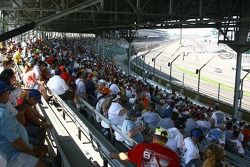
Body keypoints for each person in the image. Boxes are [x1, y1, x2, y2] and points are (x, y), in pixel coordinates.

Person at [0, 81, 47, 167]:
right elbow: (15, 140)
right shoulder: (3, 113)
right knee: (42, 150)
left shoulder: (4, 107)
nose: (9, 94)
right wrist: (31, 153)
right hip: (12, 155)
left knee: (41, 147)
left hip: (14, 149)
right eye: (7, 92)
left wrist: (43, 119)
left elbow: (34, 114)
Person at [110, 127, 181, 167]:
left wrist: (115, 155)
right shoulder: (175, 157)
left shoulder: (142, 147)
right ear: (166, 140)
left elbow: (125, 156)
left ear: (153, 137)